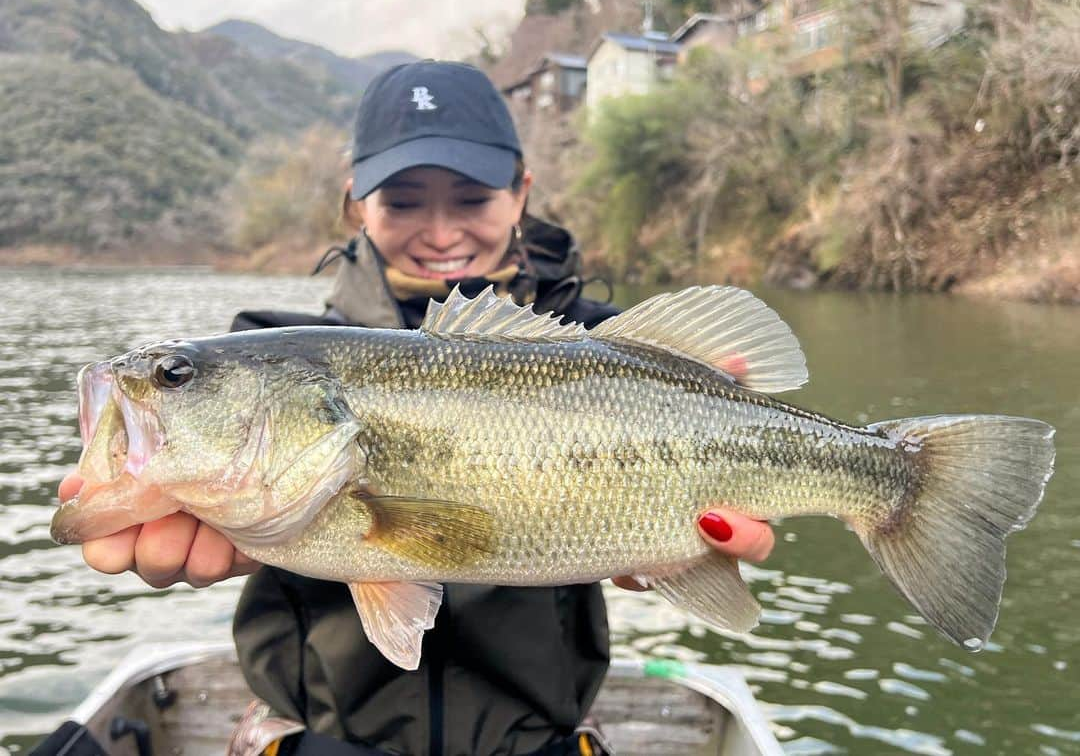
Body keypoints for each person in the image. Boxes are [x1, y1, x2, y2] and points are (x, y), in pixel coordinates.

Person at [57, 61, 775, 756]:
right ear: (355, 204)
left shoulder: (605, 343)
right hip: (320, 737)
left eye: (471, 198)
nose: (440, 232)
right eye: (402, 201)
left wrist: (684, 542)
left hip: (538, 740)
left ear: (521, 193)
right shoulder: (261, 344)